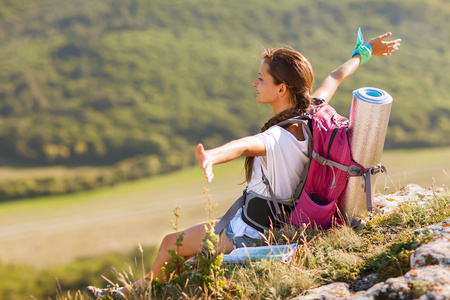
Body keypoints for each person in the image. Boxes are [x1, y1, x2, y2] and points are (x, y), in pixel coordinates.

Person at [86, 29, 400, 299]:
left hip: (249, 232)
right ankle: (123, 293)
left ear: (281, 88)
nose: (254, 83)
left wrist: (212, 156)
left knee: (172, 246)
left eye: (261, 78)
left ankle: (136, 293)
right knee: (179, 257)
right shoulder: (313, 109)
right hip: (261, 220)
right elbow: (336, 76)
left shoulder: (281, 136)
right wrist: (365, 51)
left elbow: (242, 146)